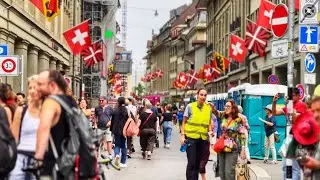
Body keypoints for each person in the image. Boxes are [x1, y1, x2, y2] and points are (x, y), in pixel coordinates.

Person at [34, 70, 78, 178]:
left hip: (54, 163)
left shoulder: (50, 102)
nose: (37, 88)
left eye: (40, 84)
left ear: (52, 85)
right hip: (71, 160)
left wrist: (38, 159)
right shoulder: (71, 101)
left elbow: (43, 131)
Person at [9, 75, 41, 180]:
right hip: (21, 157)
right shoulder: (21, 111)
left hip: (42, 159)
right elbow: (14, 138)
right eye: (30, 88)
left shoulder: (48, 110)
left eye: (35, 87)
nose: (32, 91)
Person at [272, 88, 307, 180]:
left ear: (299, 96)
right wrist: (274, 102)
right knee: (285, 166)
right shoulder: (289, 106)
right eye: (289, 95)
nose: (291, 97)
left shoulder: (302, 105)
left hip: (298, 139)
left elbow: (296, 121)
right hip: (289, 139)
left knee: (295, 168)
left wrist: (290, 107)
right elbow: (274, 112)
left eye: (293, 95)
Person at [180, 88, 214, 180]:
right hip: (191, 138)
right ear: (197, 96)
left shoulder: (208, 109)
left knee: (197, 164)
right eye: (201, 95)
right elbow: (184, 122)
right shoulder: (190, 106)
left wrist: (210, 131)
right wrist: (182, 136)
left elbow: (209, 124)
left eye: (205, 95)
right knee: (191, 163)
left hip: (202, 139)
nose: (203, 97)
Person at [211, 99, 246, 180]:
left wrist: (243, 149)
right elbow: (216, 112)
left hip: (232, 148)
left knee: (229, 172)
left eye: (228, 106)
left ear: (233, 108)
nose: (226, 108)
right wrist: (213, 108)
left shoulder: (238, 119)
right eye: (225, 106)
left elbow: (242, 134)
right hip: (222, 147)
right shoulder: (223, 116)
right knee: (221, 172)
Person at [110, 97, 132, 169]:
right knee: (124, 146)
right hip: (124, 131)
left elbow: (112, 121)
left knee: (117, 145)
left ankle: (116, 155)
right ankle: (123, 162)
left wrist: (111, 130)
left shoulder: (115, 111)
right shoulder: (127, 111)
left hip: (116, 130)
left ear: (118, 102)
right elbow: (131, 120)